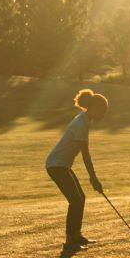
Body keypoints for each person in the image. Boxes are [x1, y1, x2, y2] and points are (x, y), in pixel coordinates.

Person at [46, 89, 109, 249]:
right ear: (94, 107)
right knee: (75, 200)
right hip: (56, 165)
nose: (103, 114)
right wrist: (93, 178)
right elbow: (85, 155)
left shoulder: (84, 120)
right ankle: (69, 241)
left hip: (62, 165)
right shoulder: (81, 124)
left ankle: (76, 235)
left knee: (80, 198)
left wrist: (93, 178)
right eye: (102, 110)